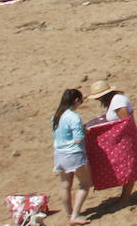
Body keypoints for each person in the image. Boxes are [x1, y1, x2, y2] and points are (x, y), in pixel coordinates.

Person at [84, 79, 137, 203]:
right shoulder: (114, 101)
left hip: (125, 138)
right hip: (122, 138)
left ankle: (125, 198)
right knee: (124, 165)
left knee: (127, 165)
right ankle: (124, 197)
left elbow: (125, 121)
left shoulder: (118, 101)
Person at [51, 88, 93, 224]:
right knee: (85, 184)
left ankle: (69, 213)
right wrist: (85, 131)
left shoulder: (56, 116)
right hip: (74, 154)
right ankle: (75, 215)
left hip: (60, 154)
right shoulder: (74, 117)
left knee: (65, 186)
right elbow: (78, 139)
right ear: (76, 101)